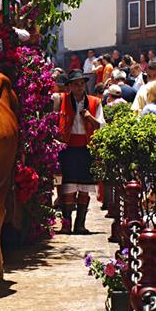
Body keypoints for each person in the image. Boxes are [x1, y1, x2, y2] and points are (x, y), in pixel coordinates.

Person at [57, 69, 105, 235]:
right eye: (76, 84)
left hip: (86, 148)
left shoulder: (95, 102)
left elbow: (102, 125)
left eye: (82, 84)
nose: (79, 87)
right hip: (67, 148)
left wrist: (89, 117)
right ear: (69, 86)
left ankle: (80, 225)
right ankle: (66, 224)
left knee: (85, 187)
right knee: (68, 188)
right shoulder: (61, 100)